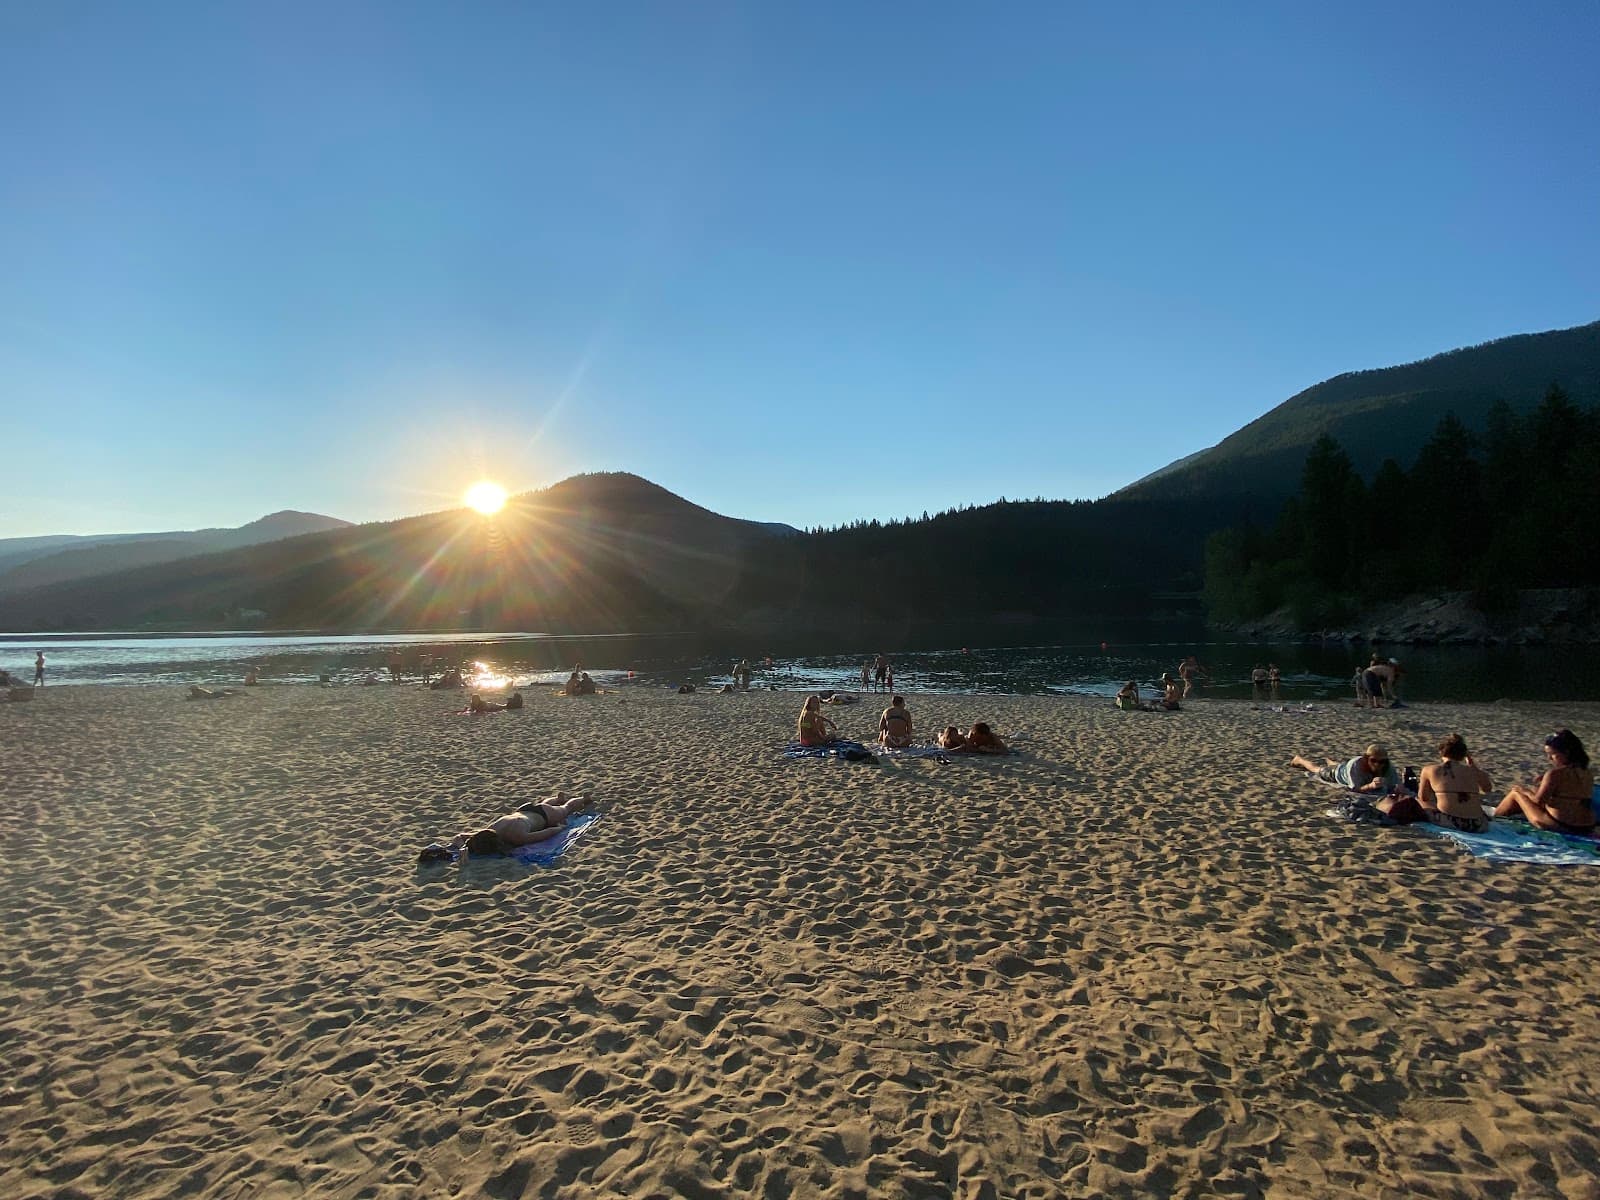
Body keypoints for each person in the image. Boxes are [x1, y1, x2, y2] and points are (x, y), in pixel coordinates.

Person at [1494, 729, 1595, 832]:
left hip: (1560, 825)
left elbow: (1539, 802)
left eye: (1552, 754)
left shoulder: (1554, 774)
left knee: (1516, 792)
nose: (1549, 758)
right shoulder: (1586, 772)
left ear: (1566, 752)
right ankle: (1509, 814)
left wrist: (1523, 790)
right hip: (1586, 826)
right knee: (1534, 791)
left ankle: (1495, 819)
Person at [454, 793, 596, 856]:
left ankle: (584, 799)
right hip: (523, 810)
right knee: (544, 805)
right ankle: (556, 799)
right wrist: (462, 848)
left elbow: (547, 833)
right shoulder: (489, 830)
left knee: (567, 808)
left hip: (543, 815)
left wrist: (560, 828)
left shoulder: (518, 837)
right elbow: (459, 836)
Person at [1410, 733, 1493, 833]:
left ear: (1441, 751)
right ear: (1464, 754)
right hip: (1478, 824)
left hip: (1450, 822)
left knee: (1420, 802)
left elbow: (1424, 798)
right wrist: (1472, 764)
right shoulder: (1473, 771)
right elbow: (1487, 789)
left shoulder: (1430, 770)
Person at [1290, 743, 1399, 793]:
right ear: (1366, 759)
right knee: (1317, 769)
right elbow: (1355, 788)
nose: (1378, 764)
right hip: (1336, 774)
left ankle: (1331, 762)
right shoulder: (1356, 766)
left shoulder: (1388, 767)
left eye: (1382, 762)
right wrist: (1370, 786)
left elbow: (1396, 785)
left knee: (1340, 766)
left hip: (1345, 768)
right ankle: (1299, 760)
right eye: (1374, 761)